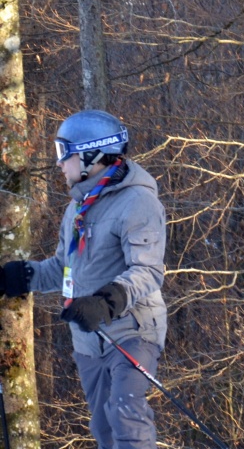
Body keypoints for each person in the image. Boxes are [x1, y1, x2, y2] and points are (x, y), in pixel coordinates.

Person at [2, 110, 167, 449]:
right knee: (104, 427)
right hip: (89, 341)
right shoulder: (77, 208)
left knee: (126, 413)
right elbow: (64, 269)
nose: (59, 164)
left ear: (92, 156)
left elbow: (148, 270)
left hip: (133, 331)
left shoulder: (137, 201)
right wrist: (20, 276)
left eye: (65, 154)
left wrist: (107, 302)